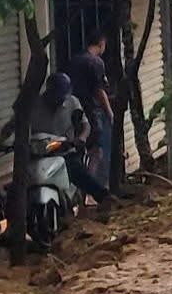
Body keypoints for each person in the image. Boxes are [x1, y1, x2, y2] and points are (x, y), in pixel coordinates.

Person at [27, 72, 111, 211]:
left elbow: (85, 125)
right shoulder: (34, 105)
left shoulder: (72, 102)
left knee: (76, 170)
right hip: (40, 151)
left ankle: (103, 197)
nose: (59, 100)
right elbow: (15, 124)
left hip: (64, 149)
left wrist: (81, 138)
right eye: (55, 95)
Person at [67, 31, 113, 189]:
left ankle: (78, 182)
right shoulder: (96, 62)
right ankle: (89, 186)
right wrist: (109, 112)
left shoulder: (74, 60)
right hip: (91, 111)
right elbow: (99, 91)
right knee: (96, 150)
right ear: (101, 43)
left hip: (74, 111)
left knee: (78, 146)